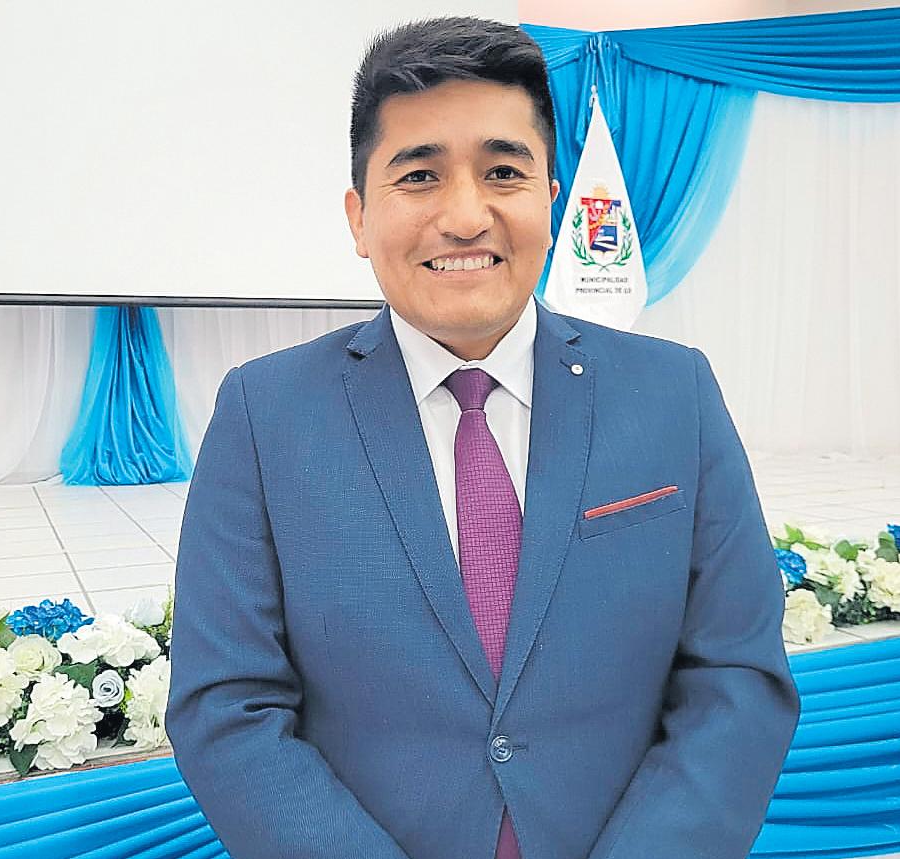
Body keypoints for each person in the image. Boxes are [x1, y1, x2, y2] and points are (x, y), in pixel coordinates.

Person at [166, 16, 800, 859]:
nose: (466, 216)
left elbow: (737, 677)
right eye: (419, 175)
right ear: (359, 218)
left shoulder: (673, 392)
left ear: (551, 198)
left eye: (504, 171)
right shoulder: (264, 413)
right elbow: (225, 706)